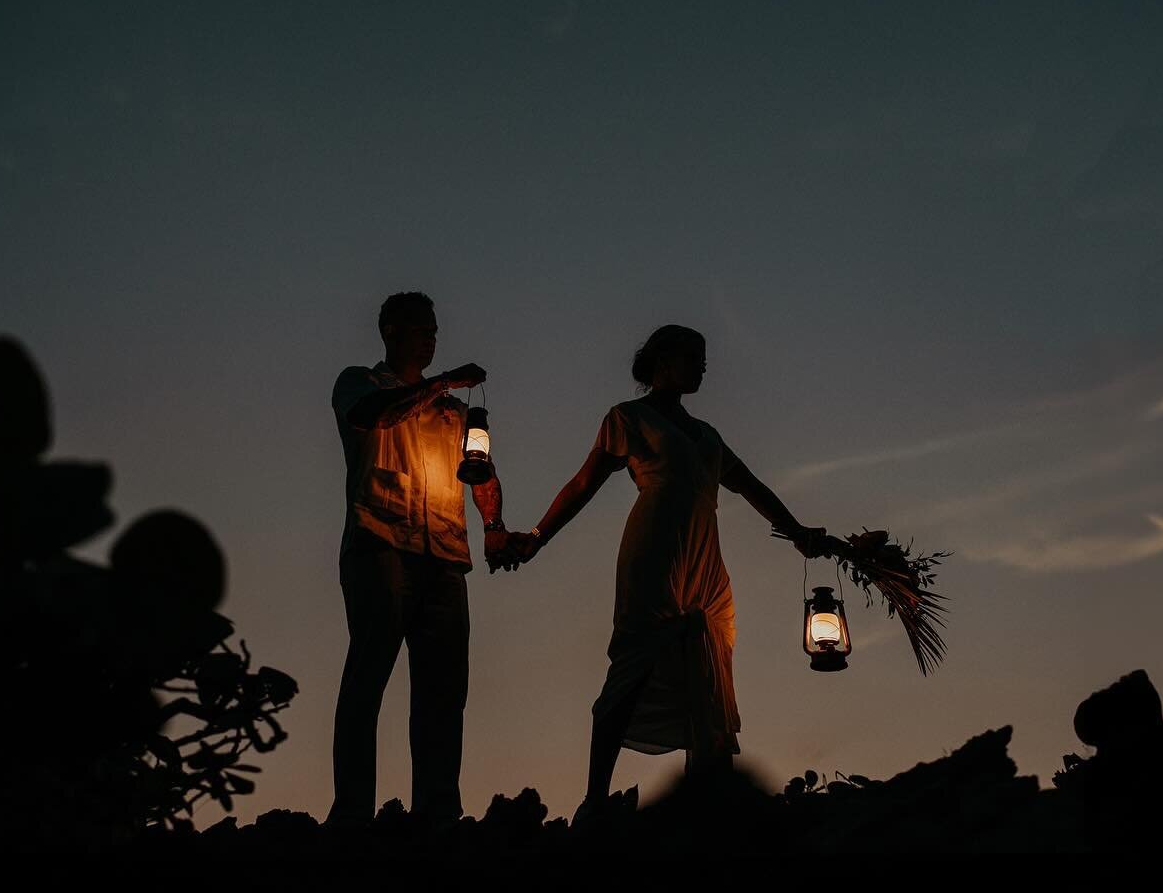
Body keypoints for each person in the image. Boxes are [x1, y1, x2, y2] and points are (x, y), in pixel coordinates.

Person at [509, 324, 824, 818]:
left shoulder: (709, 436)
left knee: (709, 668)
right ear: (661, 361)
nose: (703, 365)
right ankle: (595, 798)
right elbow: (583, 483)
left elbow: (749, 486)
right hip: (655, 549)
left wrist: (797, 530)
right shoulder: (629, 418)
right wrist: (536, 537)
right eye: (692, 355)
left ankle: (707, 799)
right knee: (634, 663)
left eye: (704, 357)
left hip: (707, 562)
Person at [329, 289, 520, 829]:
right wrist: (438, 384)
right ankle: (352, 815)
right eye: (421, 328)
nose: (431, 336)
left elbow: (482, 472)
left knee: (443, 693)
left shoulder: (455, 413)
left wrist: (495, 527)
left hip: (444, 557)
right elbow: (371, 417)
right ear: (391, 332)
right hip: (380, 544)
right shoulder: (359, 383)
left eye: (435, 328)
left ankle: (436, 812)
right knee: (368, 678)